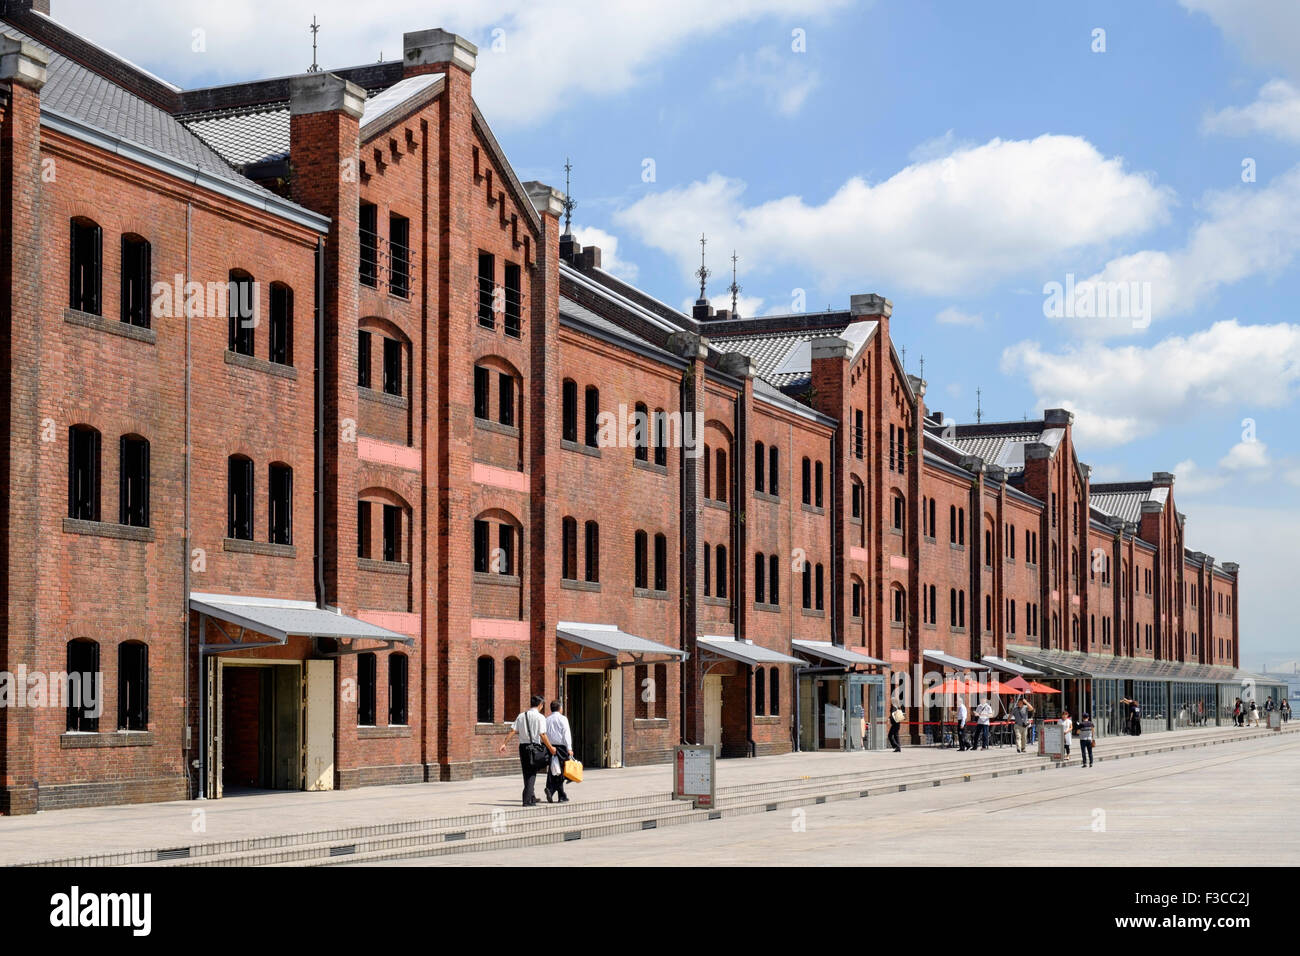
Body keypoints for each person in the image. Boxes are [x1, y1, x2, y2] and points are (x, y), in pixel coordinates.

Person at [499, 695, 555, 807]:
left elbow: (513, 731)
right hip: (534, 747)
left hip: (523, 748)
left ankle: (532, 796)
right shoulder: (540, 717)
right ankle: (527, 799)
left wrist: (504, 743)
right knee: (532, 773)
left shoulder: (521, 716)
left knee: (526, 771)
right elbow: (542, 735)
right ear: (540, 705)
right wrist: (551, 748)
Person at [543, 700, 574, 803]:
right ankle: (551, 791)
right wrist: (569, 748)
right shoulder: (563, 719)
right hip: (561, 747)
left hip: (550, 747)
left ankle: (561, 795)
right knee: (562, 771)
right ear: (560, 708)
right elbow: (566, 733)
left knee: (554, 770)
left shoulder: (547, 719)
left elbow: (543, 734)